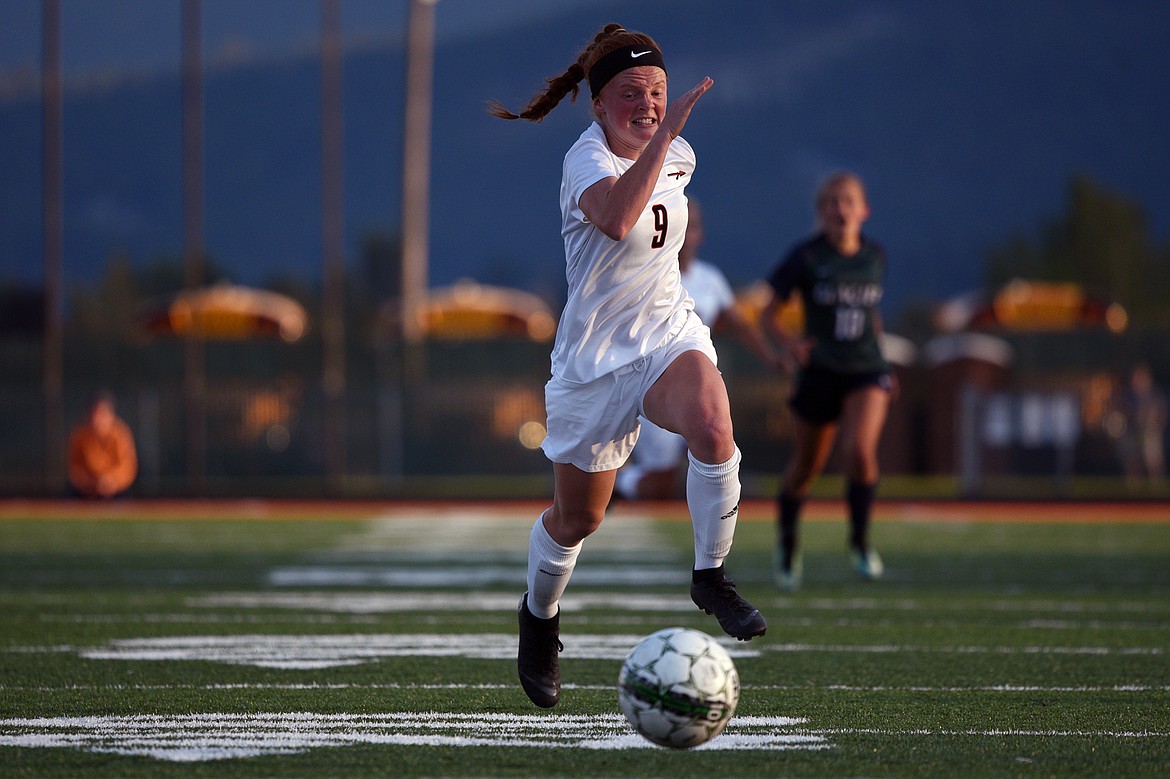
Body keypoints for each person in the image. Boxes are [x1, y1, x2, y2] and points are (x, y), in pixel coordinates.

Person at [490, 23, 767, 709]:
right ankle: (539, 617)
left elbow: (657, 243)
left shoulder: (680, 154)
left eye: (658, 92)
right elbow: (617, 220)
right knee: (578, 517)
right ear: (596, 103)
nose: (648, 105)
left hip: (663, 336)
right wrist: (665, 136)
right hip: (592, 360)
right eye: (632, 93)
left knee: (712, 422)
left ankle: (711, 574)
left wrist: (669, 141)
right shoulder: (586, 161)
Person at [759, 172, 895, 591]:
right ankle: (788, 543)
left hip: (865, 368)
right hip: (820, 370)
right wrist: (790, 345)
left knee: (859, 451)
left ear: (864, 210)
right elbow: (769, 313)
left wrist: (883, 357)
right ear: (821, 212)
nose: (840, 209)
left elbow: (870, 314)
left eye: (848, 201)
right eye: (832, 202)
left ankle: (859, 542)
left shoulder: (874, 256)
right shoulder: (806, 257)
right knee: (806, 467)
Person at [615, 198, 785, 500]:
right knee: (661, 483)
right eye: (679, 225)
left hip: (699, 383)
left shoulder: (710, 279)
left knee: (714, 457)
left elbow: (741, 326)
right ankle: (611, 485)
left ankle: (713, 537)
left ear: (700, 234)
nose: (685, 233)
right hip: (657, 386)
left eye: (691, 226)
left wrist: (771, 357)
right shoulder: (645, 274)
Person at [67, 390, 138, 498]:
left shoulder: (120, 433)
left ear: (111, 414)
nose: (97, 419)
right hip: (85, 492)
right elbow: (74, 467)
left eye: (102, 414)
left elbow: (128, 467)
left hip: (116, 492)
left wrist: (111, 481)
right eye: (94, 414)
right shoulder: (80, 434)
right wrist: (89, 483)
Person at [1111, 363, 1167, 486]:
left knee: (1154, 463)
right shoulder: (1128, 396)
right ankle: (1134, 492)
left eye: (1141, 377)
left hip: (1150, 434)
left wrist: (1156, 424)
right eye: (1136, 378)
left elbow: (1163, 414)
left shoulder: (1155, 395)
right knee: (1132, 464)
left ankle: (1157, 491)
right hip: (1132, 434)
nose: (1138, 381)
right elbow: (1121, 414)